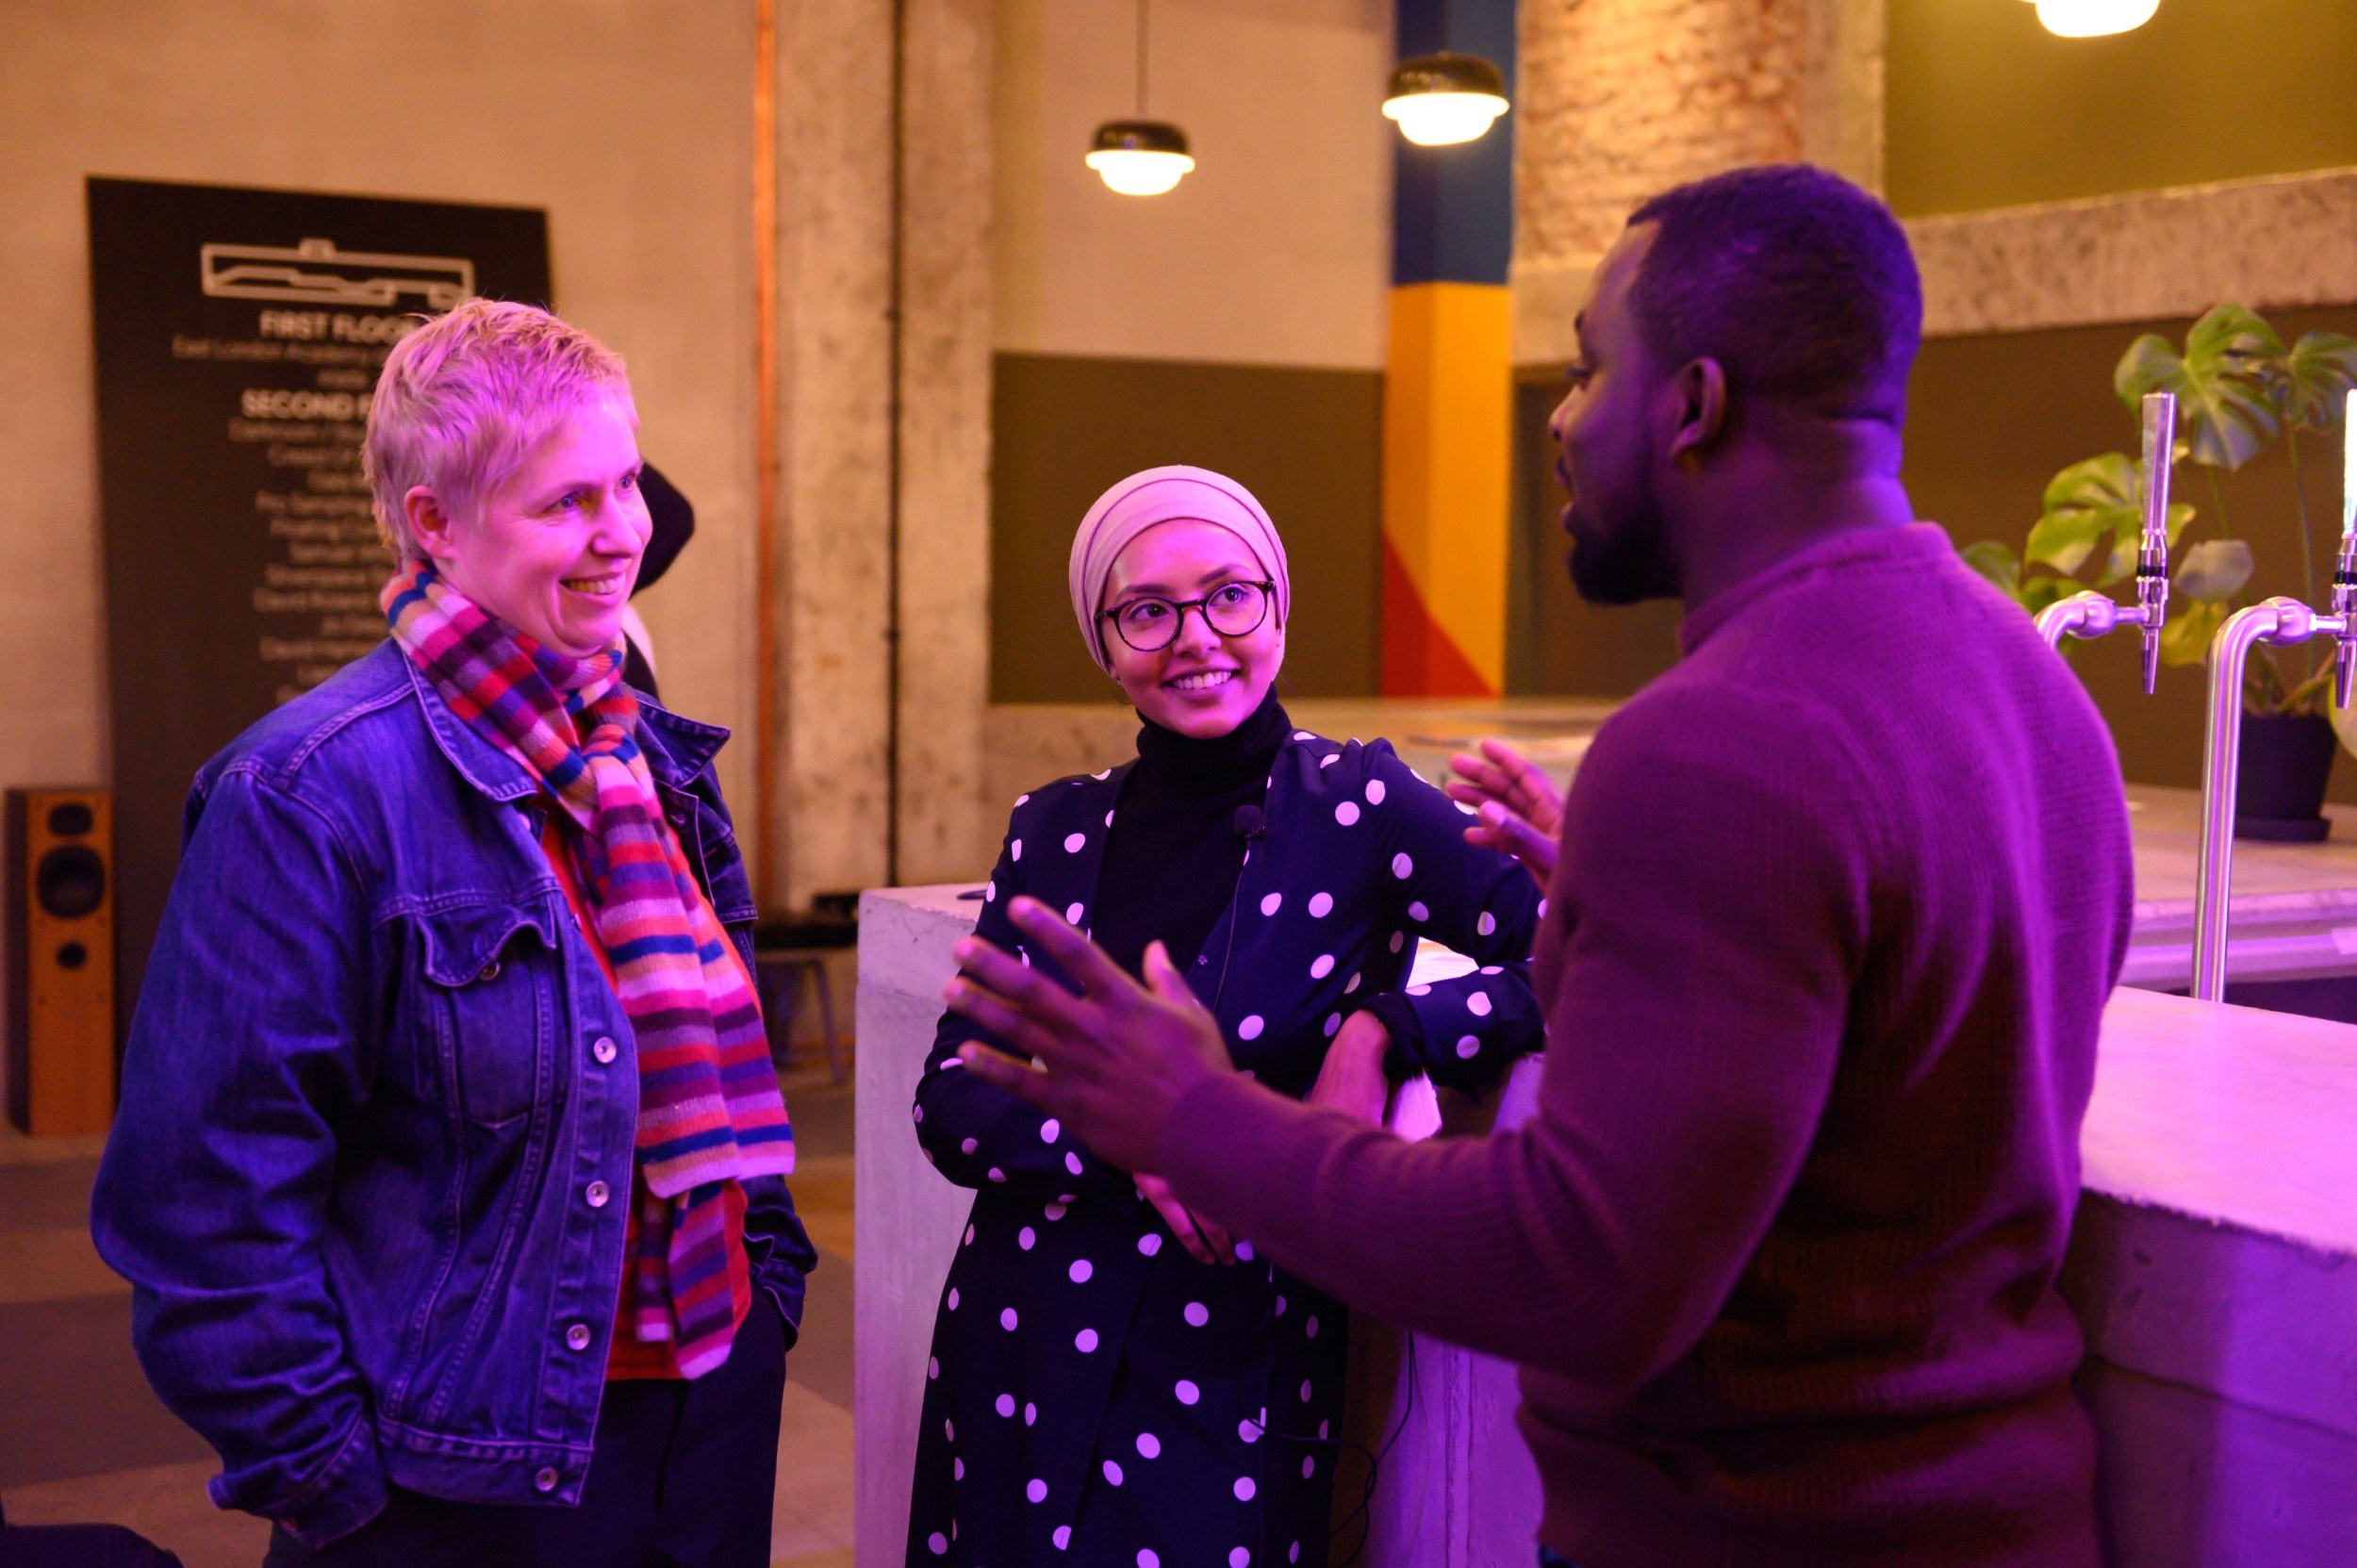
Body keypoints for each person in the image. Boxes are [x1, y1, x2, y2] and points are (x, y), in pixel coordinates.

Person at [937, 166, 2132, 1568]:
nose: (1560, 419)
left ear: (1690, 403)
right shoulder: (2036, 685)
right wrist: (1608, 899)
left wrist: (1195, 1114)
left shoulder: (1716, 745)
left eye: (1582, 368)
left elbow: (1582, 1269)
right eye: (1148, 609)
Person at [91, 299, 816, 1568]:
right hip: (464, 1478)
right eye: (564, 505)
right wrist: (336, 1483)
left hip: (707, 1403)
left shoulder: (649, 762)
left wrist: (769, 1291)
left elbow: (711, 1081)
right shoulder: (308, 790)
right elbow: (200, 1205)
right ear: (435, 522)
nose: (621, 536)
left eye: (627, 485)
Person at [905, 466, 1547, 1568]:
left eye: (1229, 596)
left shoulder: (1358, 803)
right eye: (1147, 611)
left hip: (1227, 1357)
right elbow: (953, 1101)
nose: (1196, 637)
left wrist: (1387, 1026)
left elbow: (1571, 952)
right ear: (1106, 644)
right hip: (1022, 1342)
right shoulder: (1056, 826)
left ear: (1278, 607)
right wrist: (1149, 1145)